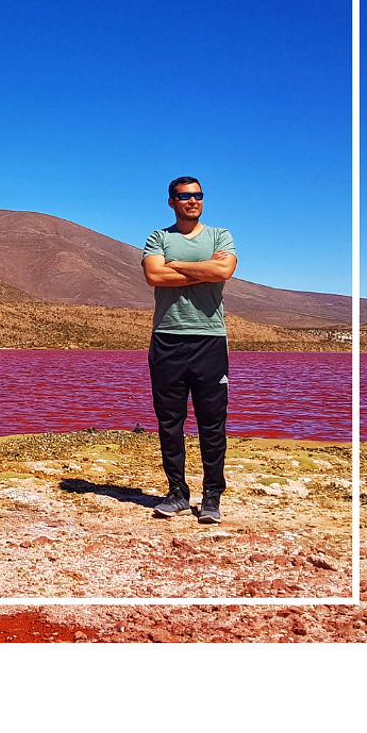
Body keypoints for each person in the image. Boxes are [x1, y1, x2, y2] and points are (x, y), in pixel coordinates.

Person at [142, 177, 237, 524]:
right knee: (170, 422)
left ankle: (212, 497)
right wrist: (205, 271)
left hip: (210, 340)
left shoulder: (220, 236)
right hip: (167, 339)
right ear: (172, 202)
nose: (192, 201)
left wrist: (176, 265)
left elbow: (224, 269)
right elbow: (154, 276)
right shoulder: (159, 238)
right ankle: (178, 493)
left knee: (213, 422)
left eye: (198, 196)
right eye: (184, 196)